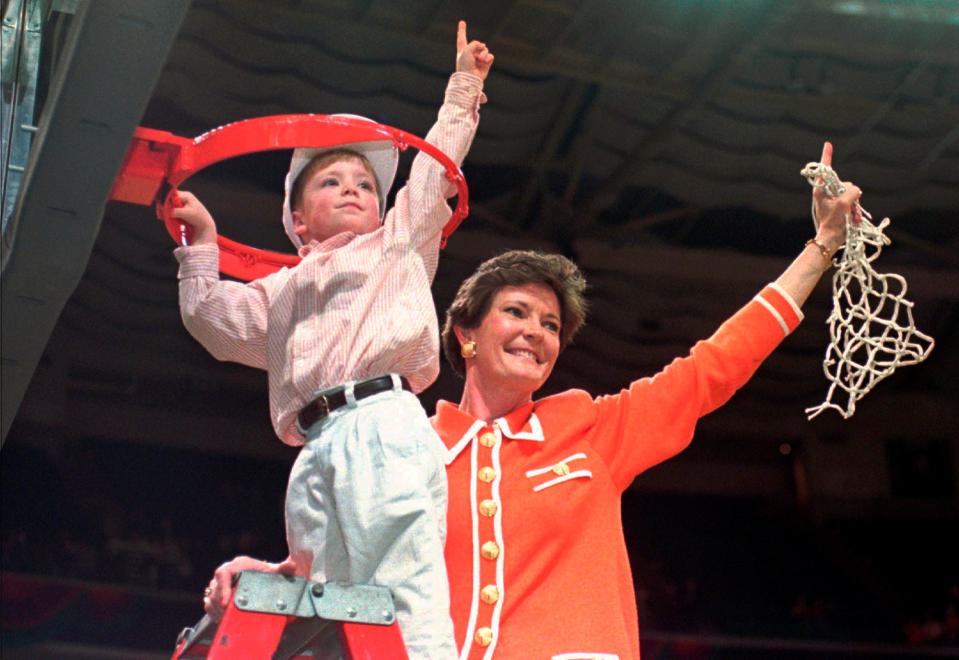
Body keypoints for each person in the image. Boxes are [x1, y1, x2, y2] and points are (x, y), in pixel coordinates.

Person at [205, 142, 857, 660]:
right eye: (516, 312)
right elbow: (346, 561)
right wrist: (276, 573)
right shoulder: (410, 445)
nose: (536, 333)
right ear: (464, 335)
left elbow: (712, 366)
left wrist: (819, 249)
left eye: (550, 326)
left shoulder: (591, 430)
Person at [173, 21, 493, 659]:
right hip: (316, 446)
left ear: (381, 207)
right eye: (331, 181)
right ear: (296, 220)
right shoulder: (281, 290)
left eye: (366, 184)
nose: (353, 187)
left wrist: (464, 87)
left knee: (405, 587)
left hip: (384, 423)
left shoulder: (397, 241)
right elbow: (210, 318)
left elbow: (433, 174)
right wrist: (201, 245)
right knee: (330, 610)